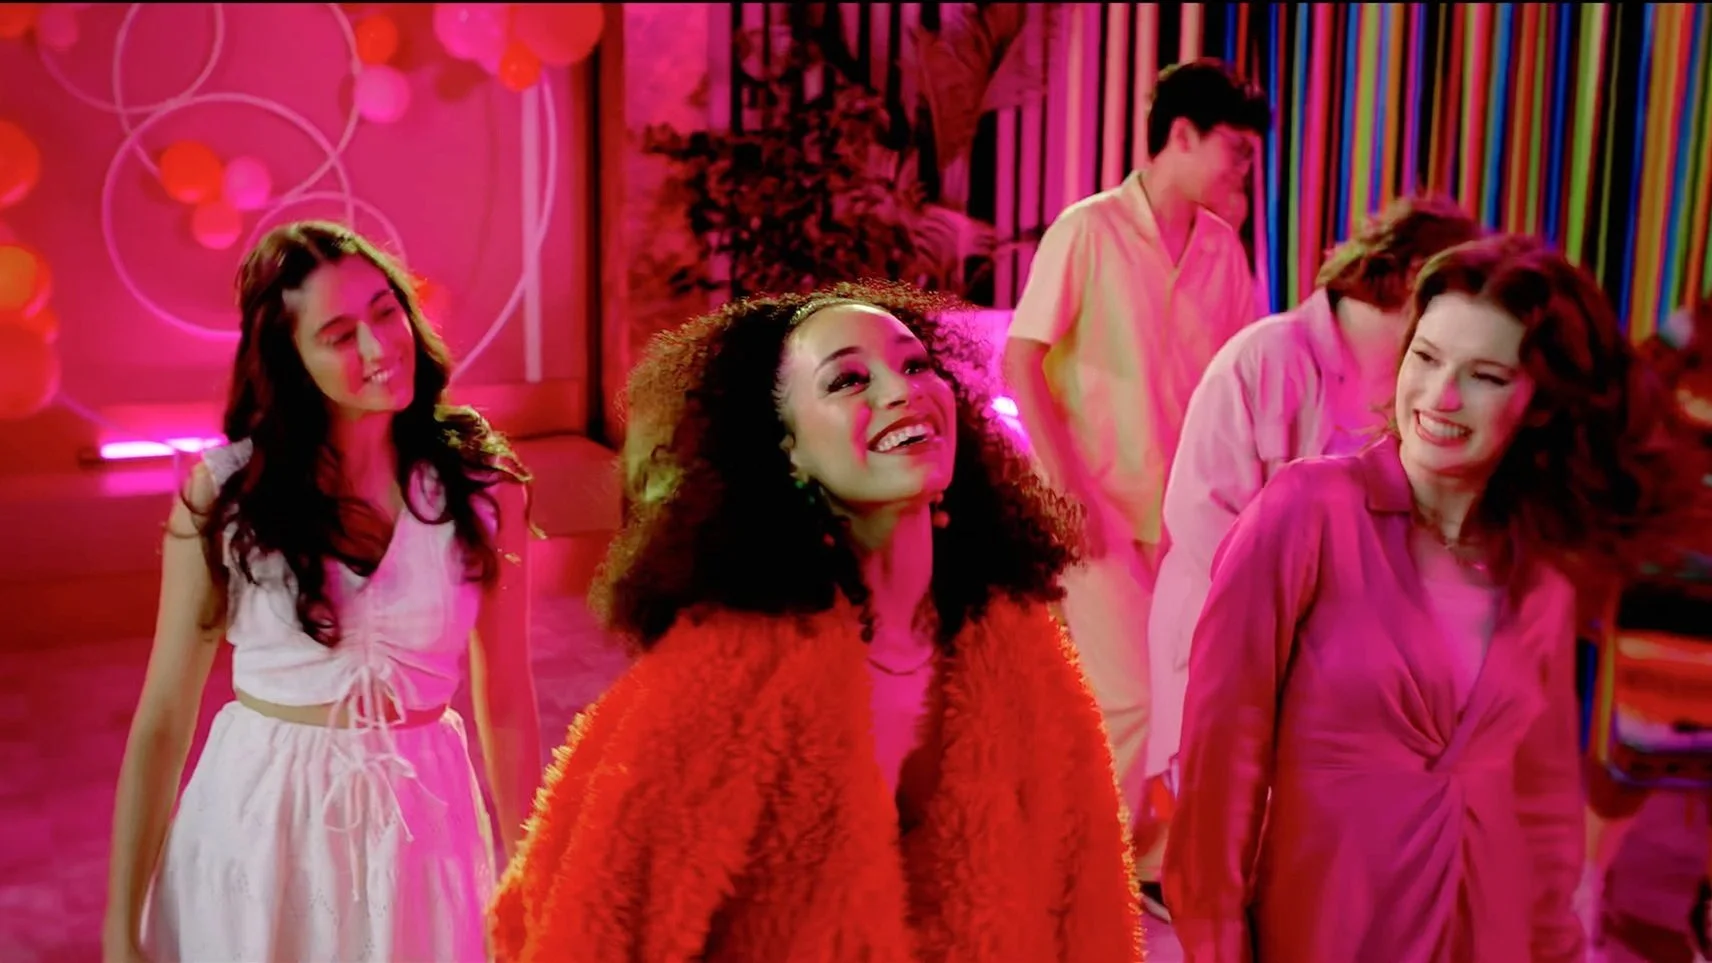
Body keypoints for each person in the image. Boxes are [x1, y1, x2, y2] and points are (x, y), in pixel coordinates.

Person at [490, 282, 1140, 962]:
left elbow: (1088, 892)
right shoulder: (723, 676)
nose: (902, 390)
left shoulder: (1018, 640)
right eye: (848, 380)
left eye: (915, 364)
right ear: (788, 449)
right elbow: (593, 913)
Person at [1164, 234, 1693, 963]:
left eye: (1485, 376)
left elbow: (1543, 807)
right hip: (1324, 928)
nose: (1441, 396)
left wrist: (1558, 949)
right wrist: (1217, 944)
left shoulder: (1539, 573)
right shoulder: (1307, 511)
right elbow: (1221, 762)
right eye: (1427, 357)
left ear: (1539, 404)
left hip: (1492, 932)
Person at [101, 221, 543, 963]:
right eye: (339, 335)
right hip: (259, 833)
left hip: (420, 833)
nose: (378, 346)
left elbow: (506, 705)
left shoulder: (483, 488)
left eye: (385, 311)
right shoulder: (226, 494)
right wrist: (121, 927)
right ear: (293, 359)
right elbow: (164, 719)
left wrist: (537, 876)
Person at [1002, 57, 1270, 916]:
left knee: (1178, 700)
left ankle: (1138, 861)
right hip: (1099, 512)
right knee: (1135, 697)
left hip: (1187, 518)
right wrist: (1066, 486)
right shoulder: (1087, 230)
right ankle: (1087, 872)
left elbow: (1237, 383)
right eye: (1235, 150)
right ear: (1180, 136)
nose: (1245, 170)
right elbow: (1022, 358)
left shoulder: (1224, 251)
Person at [1146, 195, 1483, 807]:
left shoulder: (1423, 393)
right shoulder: (1266, 358)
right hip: (1234, 650)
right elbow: (1202, 521)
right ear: (1415, 276)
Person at [1576, 297, 1712, 963]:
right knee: (1639, 748)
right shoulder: (1697, 330)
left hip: (1674, 573)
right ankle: (1586, 887)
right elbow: (1624, 399)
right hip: (1678, 582)